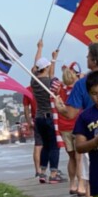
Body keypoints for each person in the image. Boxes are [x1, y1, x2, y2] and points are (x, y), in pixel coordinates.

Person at [31, 47, 64, 184]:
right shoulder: (50, 83)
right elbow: (52, 76)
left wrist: (39, 48)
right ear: (45, 68)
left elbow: (36, 65)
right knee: (54, 146)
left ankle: (43, 173)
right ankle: (54, 173)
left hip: (38, 118)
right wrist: (54, 58)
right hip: (50, 118)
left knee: (44, 145)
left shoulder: (34, 81)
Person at [58, 62, 83, 195]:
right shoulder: (79, 88)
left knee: (72, 157)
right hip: (77, 124)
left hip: (64, 126)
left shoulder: (60, 89)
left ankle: (72, 184)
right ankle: (81, 185)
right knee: (80, 158)